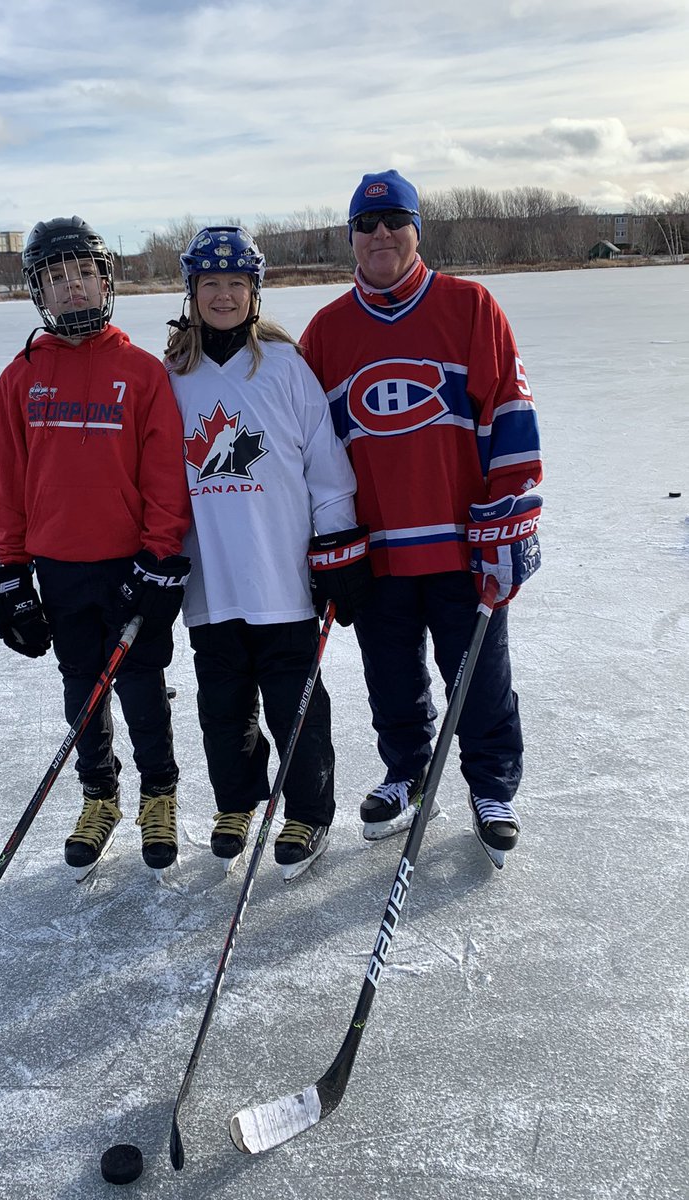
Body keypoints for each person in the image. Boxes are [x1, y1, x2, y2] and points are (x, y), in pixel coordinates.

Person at [301, 171, 542, 865]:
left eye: (394, 222)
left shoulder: (469, 307)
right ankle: (406, 773)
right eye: (366, 226)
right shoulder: (327, 332)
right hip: (375, 549)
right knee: (390, 676)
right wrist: (322, 542)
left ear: (416, 231)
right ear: (351, 238)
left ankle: (491, 785)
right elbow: (310, 451)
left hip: (462, 542)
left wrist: (510, 521)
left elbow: (511, 418)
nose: (380, 236)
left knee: (480, 676)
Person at [0, 215, 191, 877]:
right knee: (82, 692)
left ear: (106, 280)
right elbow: (10, 481)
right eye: (55, 277)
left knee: (140, 688)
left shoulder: (141, 373)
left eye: (82, 274)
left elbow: (164, 478)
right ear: (38, 289)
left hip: (129, 567)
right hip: (58, 568)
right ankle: (99, 798)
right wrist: (11, 569)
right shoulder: (20, 378)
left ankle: (160, 796)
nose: (71, 287)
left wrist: (161, 557)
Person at [164, 226, 370, 881]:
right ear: (191, 292)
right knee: (222, 705)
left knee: (294, 706)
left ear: (255, 293)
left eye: (236, 284)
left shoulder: (285, 368)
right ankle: (236, 803)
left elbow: (328, 471)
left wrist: (336, 551)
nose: (223, 296)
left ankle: (307, 811)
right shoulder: (172, 376)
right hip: (211, 581)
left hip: (282, 579)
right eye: (210, 284)